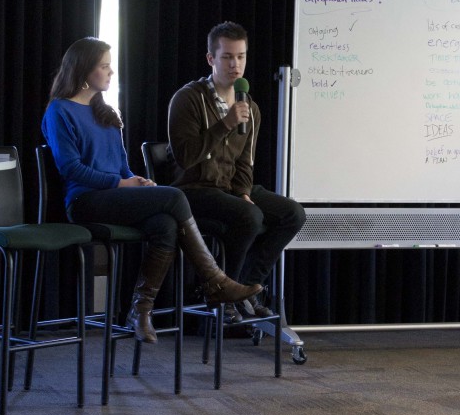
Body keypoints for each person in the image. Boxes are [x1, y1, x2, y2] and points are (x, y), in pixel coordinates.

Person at [42, 37, 262, 345]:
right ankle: (214, 281)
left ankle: (140, 310)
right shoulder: (59, 111)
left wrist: (137, 180)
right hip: (84, 200)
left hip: (114, 196)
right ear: (82, 70)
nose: (110, 73)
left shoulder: (106, 113)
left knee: (165, 224)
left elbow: (122, 168)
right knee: (174, 196)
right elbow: (71, 169)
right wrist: (122, 184)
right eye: (104, 67)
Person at [167, 21, 306, 319]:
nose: (235, 64)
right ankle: (221, 292)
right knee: (250, 216)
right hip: (194, 189)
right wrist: (225, 124)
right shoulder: (188, 98)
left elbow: (246, 162)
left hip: (229, 187)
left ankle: (245, 284)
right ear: (211, 59)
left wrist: (243, 192)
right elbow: (185, 157)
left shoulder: (249, 107)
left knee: (292, 213)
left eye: (241, 57)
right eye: (228, 57)